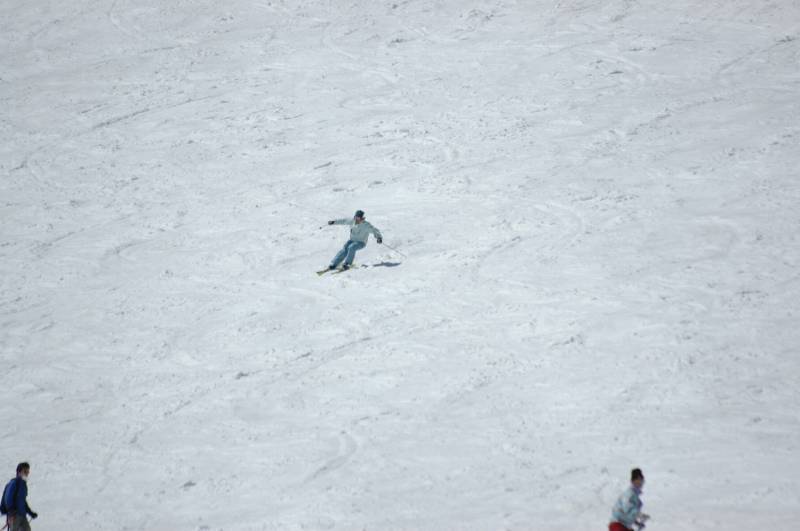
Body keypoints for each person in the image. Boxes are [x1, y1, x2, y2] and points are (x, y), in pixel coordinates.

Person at [2, 463, 38, 531]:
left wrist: (30, 513)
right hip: (14, 515)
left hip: (22, 514)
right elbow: (8, 498)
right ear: (19, 472)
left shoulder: (23, 485)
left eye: (28, 472)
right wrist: (11, 511)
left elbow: (23, 501)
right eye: (25, 471)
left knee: (27, 529)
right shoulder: (14, 483)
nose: (27, 474)